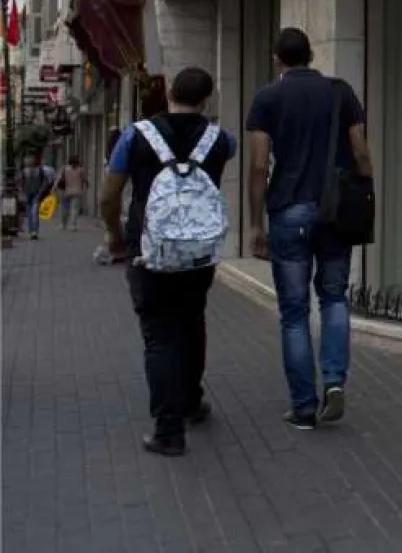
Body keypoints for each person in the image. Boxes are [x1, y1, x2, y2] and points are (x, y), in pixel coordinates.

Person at [99, 67, 235, 456]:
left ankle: (168, 429)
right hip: (198, 252)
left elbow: (110, 196)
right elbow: (232, 148)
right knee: (192, 321)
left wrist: (115, 234)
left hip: (149, 250)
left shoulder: (136, 136)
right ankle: (191, 402)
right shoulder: (219, 140)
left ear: (169, 90)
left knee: (159, 334)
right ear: (207, 100)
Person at [246, 27, 373, 431]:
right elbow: (361, 152)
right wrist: (365, 196)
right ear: (312, 54)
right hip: (334, 212)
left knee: (294, 313)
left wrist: (255, 223)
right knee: (335, 297)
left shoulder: (267, 98)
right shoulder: (341, 92)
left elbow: (259, 165)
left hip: (289, 211)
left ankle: (303, 406)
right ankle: (334, 380)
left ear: (276, 58)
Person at [20, 152, 55, 240]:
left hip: (36, 194)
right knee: (29, 214)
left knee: (34, 213)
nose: (29, 161)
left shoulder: (40, 170)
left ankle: (34, 232)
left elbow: (45, 181)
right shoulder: (24, 171)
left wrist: (41, 191)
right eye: (27, 159)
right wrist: (22, 192)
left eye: (31, 159)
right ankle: (31, 231)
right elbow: (21, 182)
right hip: (27, 195)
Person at [53, 156, 89, 232]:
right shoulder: (81, 170)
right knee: (74, 209)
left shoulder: (65, 169)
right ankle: (73, 225)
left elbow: (59, 179)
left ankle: (63, 224)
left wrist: (54, 187)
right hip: (77, 191)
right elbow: (85, 179)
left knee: (64, 208)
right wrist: (87, 184)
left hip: (66, 192)